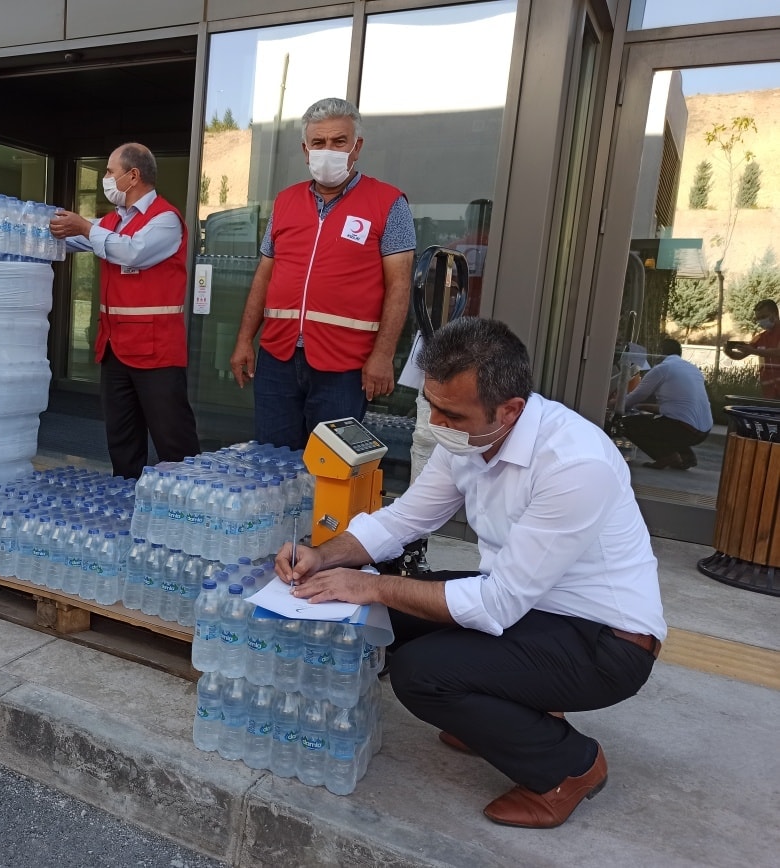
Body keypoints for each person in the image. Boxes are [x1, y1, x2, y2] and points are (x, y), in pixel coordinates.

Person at [277, 317, 665, 829]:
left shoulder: (575, 463)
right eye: (432, 406)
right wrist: (325, 555)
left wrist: (370, 582)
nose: (437, 423)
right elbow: (405, 518)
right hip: (535, 608)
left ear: (510, 411)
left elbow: (497, 604)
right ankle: (503, 713)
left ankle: (567, 767)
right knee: (383, 615)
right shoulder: (470, 437)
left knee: (421, 674)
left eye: (451, 413)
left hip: (605, 642)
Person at [229, 97, 415, 451]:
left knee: (332, 469)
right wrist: (243, 341)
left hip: (345, 365)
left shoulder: (389, 203)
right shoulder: (285, 202)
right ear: (305, 149)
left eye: (338, 142)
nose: (327, 150)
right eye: (318, 143)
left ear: (356, 147)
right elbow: (264, 276)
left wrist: (382, 355)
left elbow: (399, 286)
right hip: (278, 359)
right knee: (273, 464)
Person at [49, 142, 200, 479]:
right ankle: (129, 506)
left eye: (109, 172)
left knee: (173, 442)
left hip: (156, 352)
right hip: (116, 348)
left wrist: (86, 228)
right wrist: (37, 227)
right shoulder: (111, 221)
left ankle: (189, 510)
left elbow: (133, 252)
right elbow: (69, 238)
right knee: (122, 440)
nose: (105, 178)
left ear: (133, 176)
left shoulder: (165, 220)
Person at [620, 338, 713, 469]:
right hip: (703, 431)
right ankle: (686, 457)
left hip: (684, 429)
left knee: (627, 424)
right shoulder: (692, 369)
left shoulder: (663, 369)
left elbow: (636, 396)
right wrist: (641, 406)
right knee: (662, 424)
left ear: (659, 353)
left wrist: (613, 404)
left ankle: (665, 456)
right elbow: (678, 408)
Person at [724, 298, 780, 400]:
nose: (761, 321)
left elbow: (778, 352)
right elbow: (740, 355)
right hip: (769, 393)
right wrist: (729, 353)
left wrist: (753, 351)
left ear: (775, 314)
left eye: (764, 317)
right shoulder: (760, 338)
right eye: (758, 319)